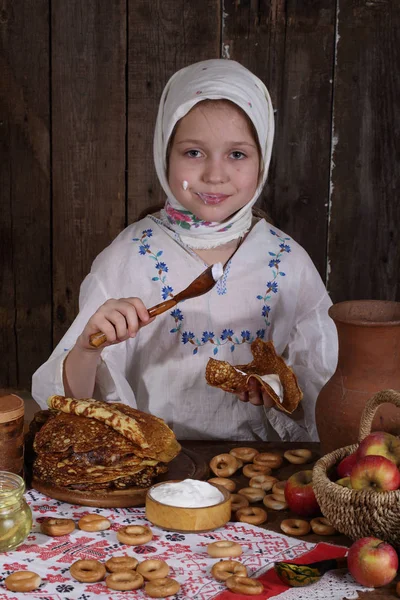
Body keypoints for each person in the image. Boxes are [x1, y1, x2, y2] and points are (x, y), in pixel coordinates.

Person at [32, 59, 338, 442]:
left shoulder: (288, 263)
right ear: (165, 153)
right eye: (194, 152)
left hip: (262, 479)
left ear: (263, 161)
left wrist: (280, 392)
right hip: (154, 476)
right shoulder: (128, 257)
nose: (214, 174)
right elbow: (70, 403)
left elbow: (327, 390)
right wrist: (88, 347)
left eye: (237, 154)